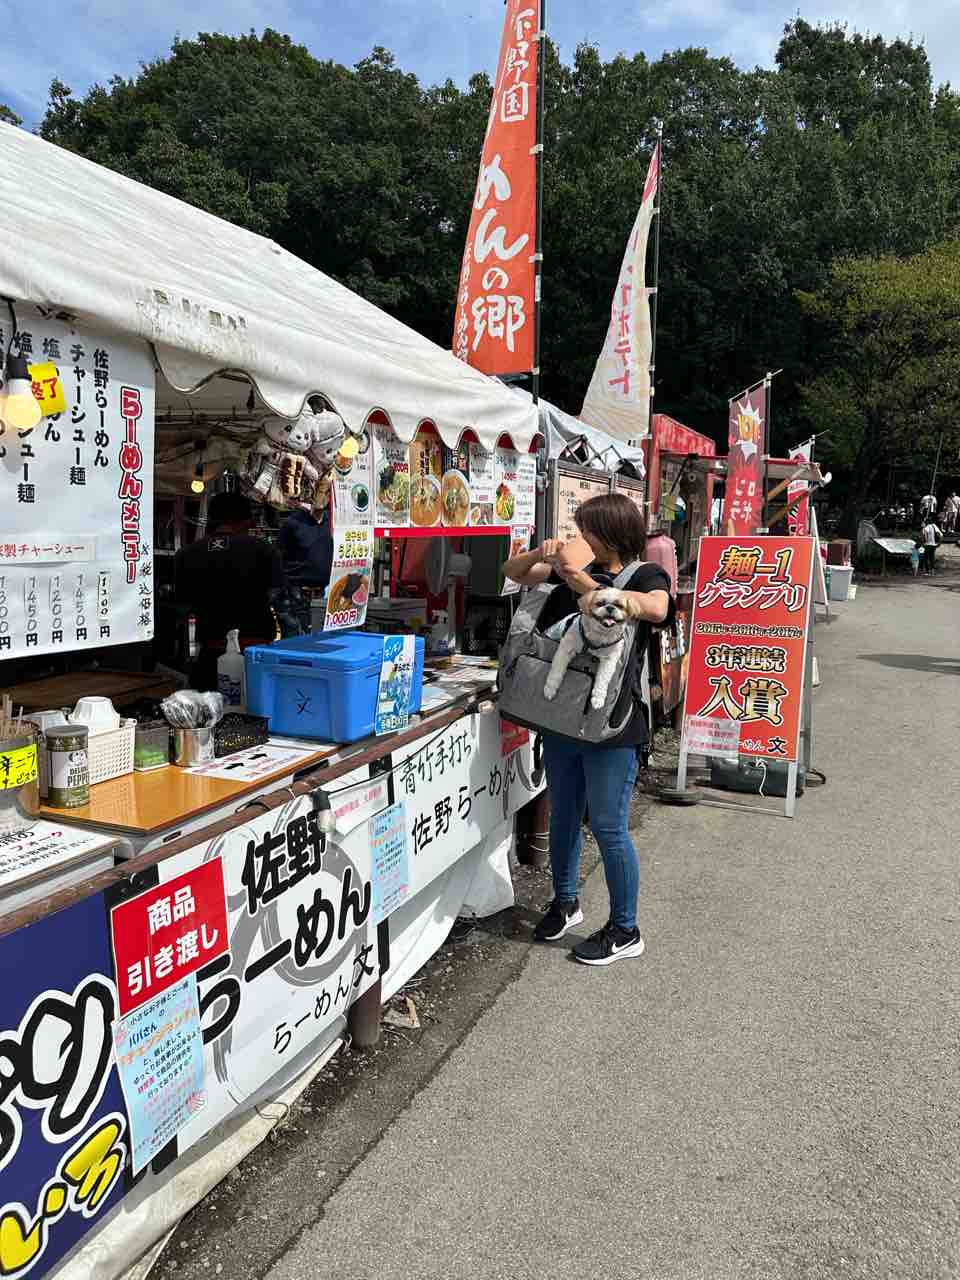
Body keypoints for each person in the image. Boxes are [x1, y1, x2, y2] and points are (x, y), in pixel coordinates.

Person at [503, 494, 671, 967]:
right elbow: (512, 573)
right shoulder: (575, 568)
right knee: (563, 816)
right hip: (562, 719)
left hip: (613, 727)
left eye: (587, 530)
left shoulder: (645, 575)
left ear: (610, 533)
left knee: (608, 827)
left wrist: (591, 588)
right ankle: (564, 902)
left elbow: (657, 609)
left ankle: (625, 929)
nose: (581, 538)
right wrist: (540, 555)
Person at [175, 492, 285, 689]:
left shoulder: (186, 554)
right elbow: (278, 597)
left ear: (212, 518)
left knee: (211, 707)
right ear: (247, 520)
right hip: (256, 653)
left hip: (211, 654)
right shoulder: (264, 550)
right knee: (256, 706)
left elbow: (183, 606)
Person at [278, 504, 334, 634]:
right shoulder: (292, 522)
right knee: (296, 639)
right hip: (296, 595)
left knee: (318, 638)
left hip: (323, 594)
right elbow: (278, 556)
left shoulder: (332, 521)